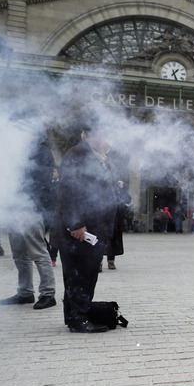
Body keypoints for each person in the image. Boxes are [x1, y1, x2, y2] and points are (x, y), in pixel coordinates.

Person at [49, 123, 119, 333]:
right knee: (78, 275)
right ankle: (77, 319)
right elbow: (68, 191)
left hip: (93, 229)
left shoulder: (96, 157)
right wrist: (75, 223)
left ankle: (80, 313)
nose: (109, 140)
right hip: (79, 231)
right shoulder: (78, 154)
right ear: (89, 135)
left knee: (87, 274)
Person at [0, 124, 58, 310]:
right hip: (15, 208)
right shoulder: (20, 151)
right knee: (19, 254)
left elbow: (39, 182)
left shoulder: (42, 152)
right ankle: (25, 292)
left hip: (31, 208)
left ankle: (48, 293)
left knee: (38, 252)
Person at [103, 180, 129, 271]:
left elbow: (127, 200)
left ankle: (111, 261)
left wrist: (122, 189)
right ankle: (99, 262)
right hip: (103, 219)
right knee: (101, 241)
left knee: (112, 241)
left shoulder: (118, 191)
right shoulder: (102, 188)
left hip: (115, 220)